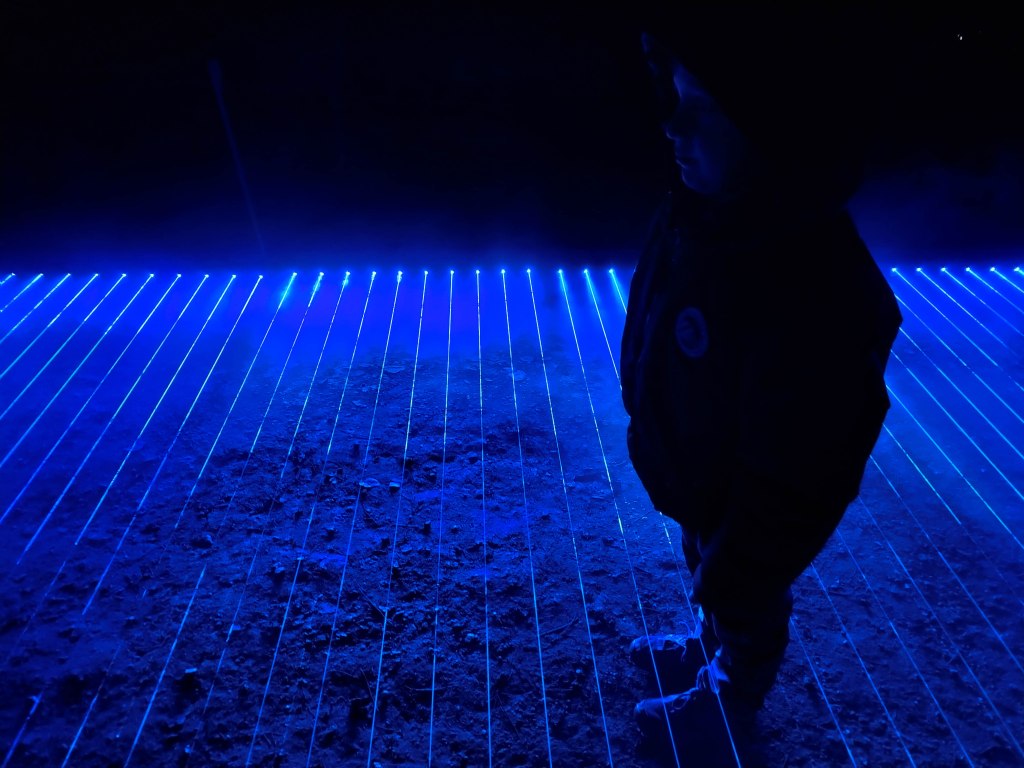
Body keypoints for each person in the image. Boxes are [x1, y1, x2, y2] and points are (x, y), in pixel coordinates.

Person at [620, 6, 902, 762]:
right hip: (705, 476)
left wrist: (749, 557)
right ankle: (711, 640)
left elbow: (803, 461)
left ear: (773, 127)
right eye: (674, 95)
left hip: (746, 502)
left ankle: (731, 694)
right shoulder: (703, 215)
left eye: (704, 108)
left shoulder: (811, 282)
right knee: (708, 565)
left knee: (741, 591)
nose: (672, 125)